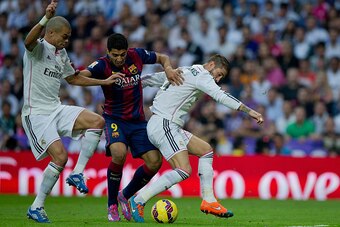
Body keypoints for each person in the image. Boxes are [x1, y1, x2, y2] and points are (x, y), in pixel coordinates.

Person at [128, 54, 264, 222]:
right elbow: (221, 95)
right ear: (212, 64)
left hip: (168, 125)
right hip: (164, 124)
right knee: (184, 170)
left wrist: (126, 89)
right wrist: (249, 111)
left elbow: (154, 79)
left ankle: (209, 200)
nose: (218, 79)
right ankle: (139, 199)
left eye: (221, 77)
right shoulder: (203, 76)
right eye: (219, 73)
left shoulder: (187, 69)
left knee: (206, 151)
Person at [22, 0, 123, 223]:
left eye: (69, 37)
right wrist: (45, 16)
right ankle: (36, 206)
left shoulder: (61, 53)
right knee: (60, 156)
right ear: (50, 32)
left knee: (97, 122)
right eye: (64, 36)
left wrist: (104, 81)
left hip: (55, 108)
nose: (67, 40)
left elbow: (74, 78)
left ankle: (78, 172)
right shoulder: (37, 49)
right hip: (36, 113)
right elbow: (27, 41)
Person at [79, 33, 183, 221]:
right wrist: (103, 82)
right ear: (108, 52)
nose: (119, 59)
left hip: (137, 121)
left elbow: (163, 57)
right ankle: (111, 205)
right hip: (115, 120)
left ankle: (124, 195)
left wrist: (167, 69)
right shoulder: (102, 65)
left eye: (122, 54)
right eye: (115, 55)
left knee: (154, 162)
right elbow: (77, 78)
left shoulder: (137, 55)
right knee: (119, 154)